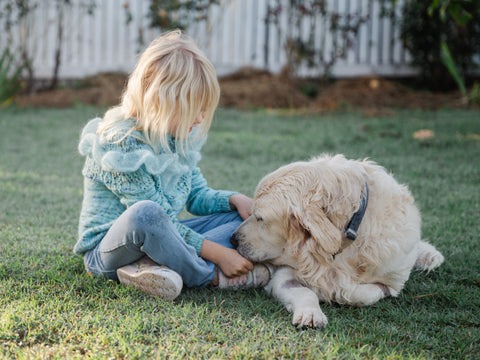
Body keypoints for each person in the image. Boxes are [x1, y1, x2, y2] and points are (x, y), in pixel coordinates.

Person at [74, 30, 272, 300]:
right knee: (147, 213)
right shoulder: (121, 144)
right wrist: (219, 255)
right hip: (107, 253)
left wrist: (235, 199)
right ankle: (211, 275)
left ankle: (154, 268)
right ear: (161, 102)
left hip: (161, 239)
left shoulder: (178, 140)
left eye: (204, 108)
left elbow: (197, 196)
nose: (201, 118)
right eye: (194, 108)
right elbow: (153, 221)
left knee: (239, 220)